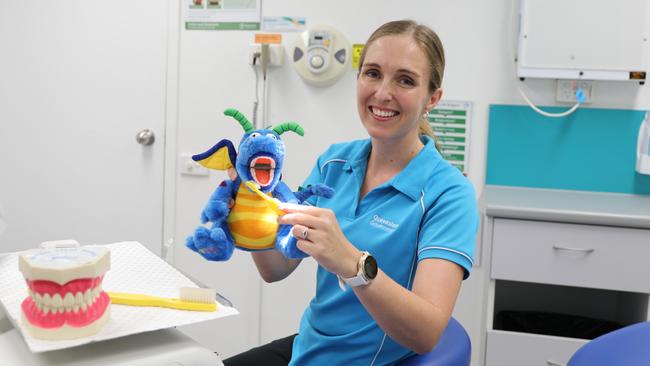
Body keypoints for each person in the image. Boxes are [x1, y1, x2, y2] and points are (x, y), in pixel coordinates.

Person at [224, 19, 478, 366]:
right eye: (372, 73)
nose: (383, 93)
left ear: (432, 98)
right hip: (310, 349)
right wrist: (247, 205)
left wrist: (352, 264)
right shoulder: (334, 163)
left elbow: (426, 332)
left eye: (405, 80)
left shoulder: (449, 193)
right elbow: (277, 267)